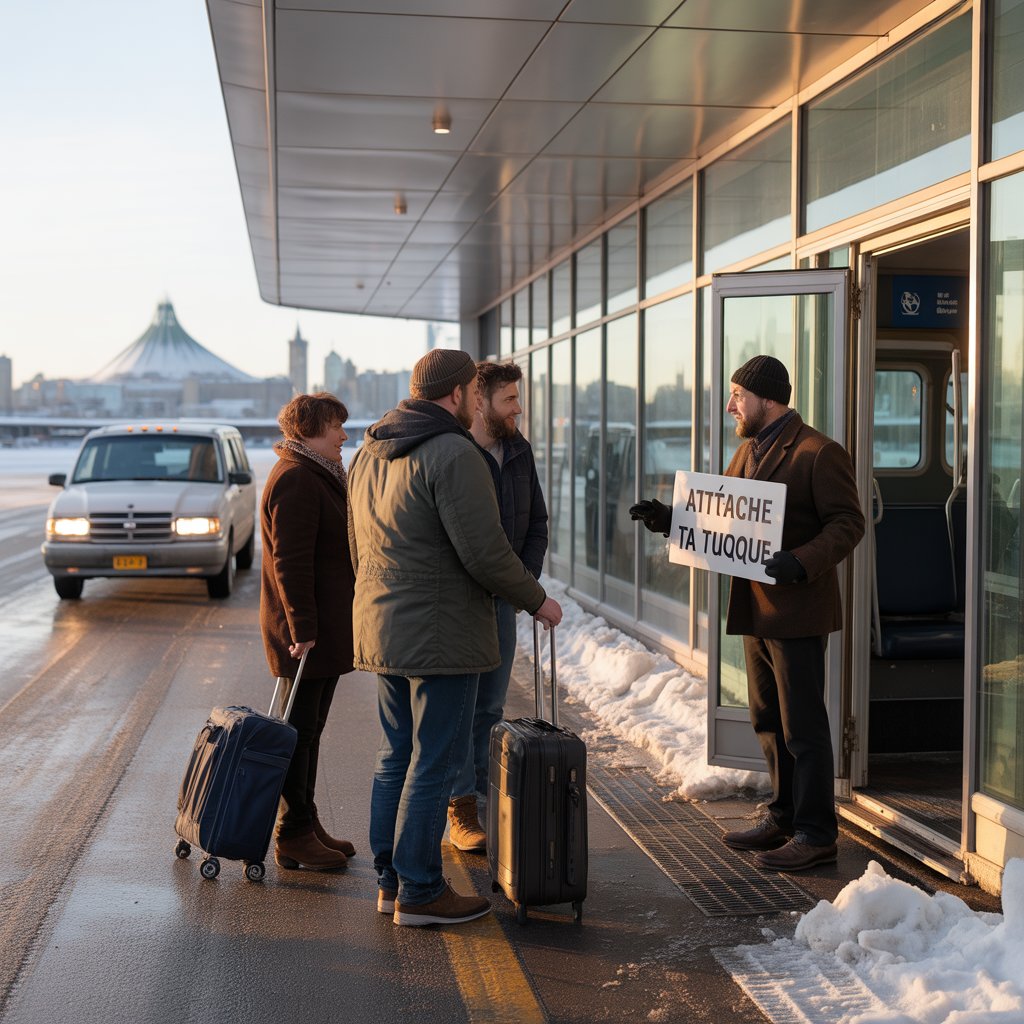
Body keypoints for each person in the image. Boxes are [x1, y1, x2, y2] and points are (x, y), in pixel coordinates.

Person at [347, 348, 562, 926]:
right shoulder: (454, 452)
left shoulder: (369, 452)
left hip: (383, 625)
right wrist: (536, 599)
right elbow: (485, 553)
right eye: (471, 390)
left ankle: (390, 882)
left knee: (395, 755)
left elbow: (357, 547)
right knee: (436, 760)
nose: (474, 401)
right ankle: (420, 890)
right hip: (442, 632)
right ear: (458, 393)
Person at [631, 355, 864, 872]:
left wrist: (800, 561)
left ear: (769, 398)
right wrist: (670, 519)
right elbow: (722, 518)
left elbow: (849, 523)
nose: (730, 405)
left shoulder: (819, 453)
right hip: (755, 609)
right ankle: (784, 815)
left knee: (803, 727)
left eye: (738, 395)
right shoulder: (748, 450)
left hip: (797, 610)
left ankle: (816, 833)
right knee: (767, 720)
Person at [447, 360, 548, 853]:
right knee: (460, 708)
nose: (518, 408)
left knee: (490, 705)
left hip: (502, 601)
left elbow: (537, 523)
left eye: (517, 398)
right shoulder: (455, 453)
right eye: (509, 399)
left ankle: (481, 796)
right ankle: (459, 805)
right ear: (480, 402)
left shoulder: (519, 451)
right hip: (461, 603)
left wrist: (521, 583)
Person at [260, 392, 356, 872]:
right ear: (310, 429)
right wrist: (302, 628)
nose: (344, 436)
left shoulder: (314, 473)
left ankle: (304, 820)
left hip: (319, 629)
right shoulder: (297, 478)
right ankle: (292, 832)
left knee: (308, 731)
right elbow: (290, 562)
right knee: (297, 734)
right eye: (336, 426)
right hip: (305, 634)